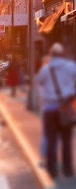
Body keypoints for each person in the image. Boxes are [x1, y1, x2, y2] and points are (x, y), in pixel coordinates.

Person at [34, 42, 76, 179]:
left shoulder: (46, 69)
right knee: (66, 140)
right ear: (63, 54)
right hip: (65, 108)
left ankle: (52, 170)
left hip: (50, 109)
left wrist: (44, 97)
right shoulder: (70, 67)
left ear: (51, 54)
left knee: (52, 140)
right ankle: (67, 169)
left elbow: (38, 81)